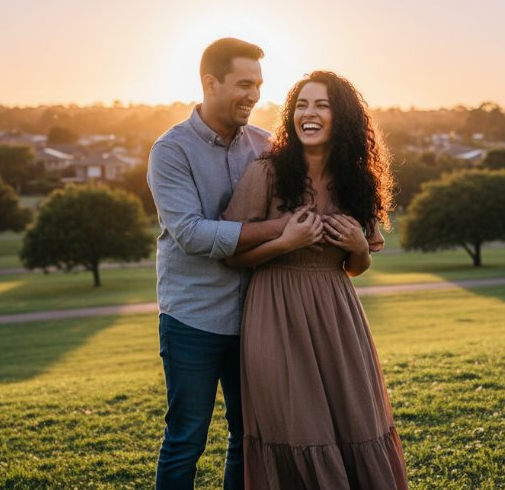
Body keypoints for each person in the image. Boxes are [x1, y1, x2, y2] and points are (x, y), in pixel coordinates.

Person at [222, 71, 408, 489]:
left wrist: (359, 247)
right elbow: (233, 255)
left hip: (338, 313)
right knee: (296, 426)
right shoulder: (266, 173)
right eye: (301, 105)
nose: (309, 113)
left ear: (341, 117)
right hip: (275, 313)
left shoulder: (356, 181)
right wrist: (286, 242)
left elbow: (355, 267)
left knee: (357, 418)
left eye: (321, 105)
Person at [147, 37, 301, 489]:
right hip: (191, 318)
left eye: (258, 85)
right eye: (243, 84)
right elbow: (192, 233)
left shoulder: (267, 146)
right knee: (186, 440)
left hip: (255, 318)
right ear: (209, 83)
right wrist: (280, 231)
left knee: (246, 437)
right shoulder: (170, 151)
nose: (254, 96)